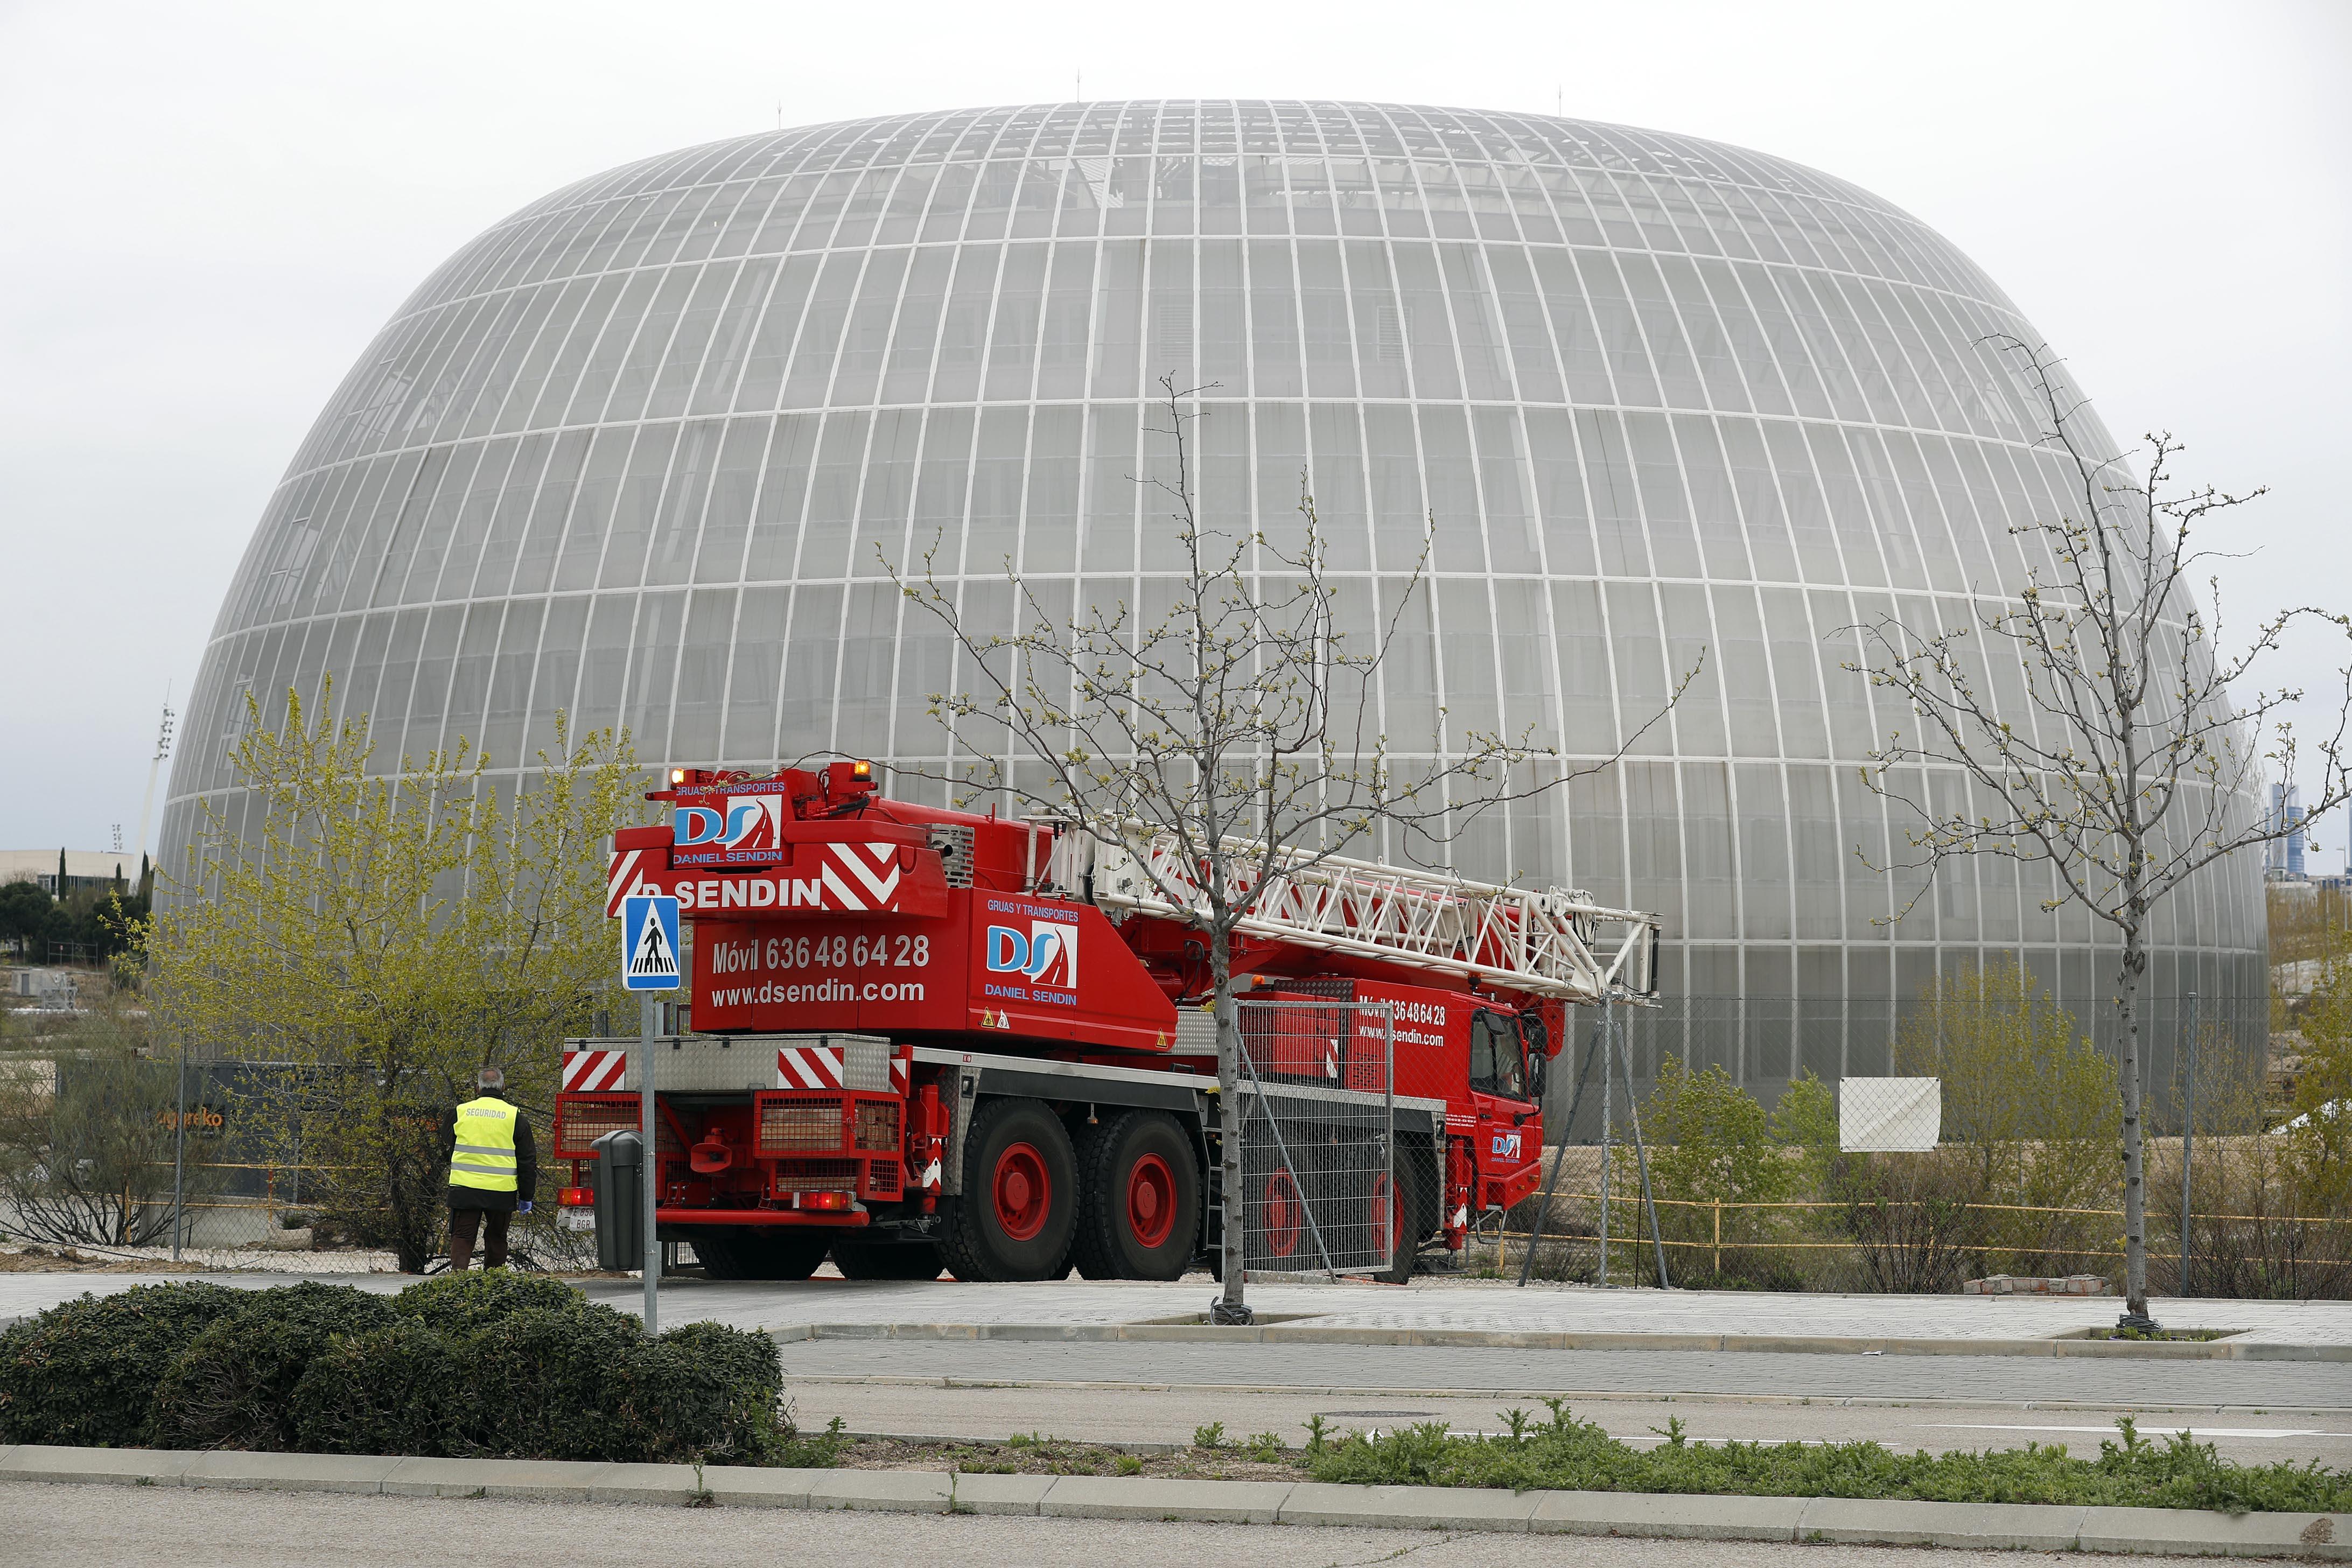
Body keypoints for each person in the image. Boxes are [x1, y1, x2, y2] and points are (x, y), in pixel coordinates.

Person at [442, 1065, 536, 1270]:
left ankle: (459, 1284)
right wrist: (526, 1196)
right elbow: (527, 1160)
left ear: (477, 1088)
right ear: (503, 1086)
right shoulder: (515, 1117)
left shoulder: (459, 1113)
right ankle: (494, 1285)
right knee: (497, 1238)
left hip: (464, 1189)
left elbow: (449, 1144)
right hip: (501, 1191)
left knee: (462, 1237)